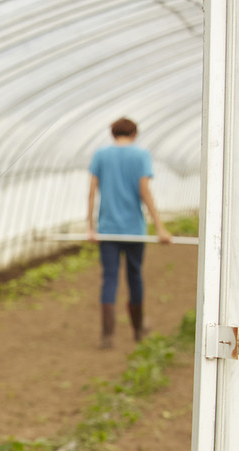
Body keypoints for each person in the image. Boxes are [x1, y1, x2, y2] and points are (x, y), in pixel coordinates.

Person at [87, 117, 171, 349]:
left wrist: (90, 227)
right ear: (134, 134)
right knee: (134, 276)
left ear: (113, 133)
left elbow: (92, 191)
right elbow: (145, 191)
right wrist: (160, 226)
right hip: (134, 230)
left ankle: (107, 336)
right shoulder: (140, 156)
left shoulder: (100, 155)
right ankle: (138, 330)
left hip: (108, 231)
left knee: (110, 279)